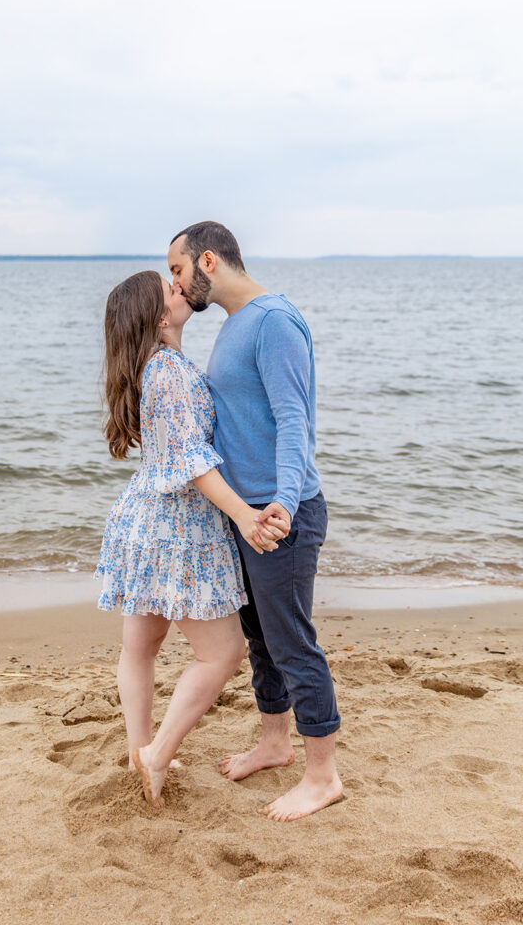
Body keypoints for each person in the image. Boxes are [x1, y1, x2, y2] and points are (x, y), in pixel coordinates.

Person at [168, 221, 343, 822]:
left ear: (207, 261)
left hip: (280, 515)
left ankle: (322, 776)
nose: (175, 281)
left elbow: (295, 422)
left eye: (177, 269)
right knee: (261, 641)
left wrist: (285, 507)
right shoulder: (235, 325)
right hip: (247, 518)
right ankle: (274, 744)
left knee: (293, 643)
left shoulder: (274, 321)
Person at [93, 270, 285, 809]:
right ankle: (156, 753)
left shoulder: (154, 365)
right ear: (157, 316)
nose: (182, 290)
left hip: (145, 521)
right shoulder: (169, 373)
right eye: (171, 289)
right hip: (178, 528)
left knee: (141, 648)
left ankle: (140, 750)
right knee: (222, 653)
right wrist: (246, 515)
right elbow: (194, 463)